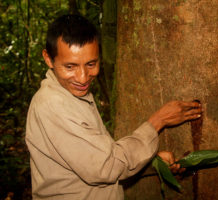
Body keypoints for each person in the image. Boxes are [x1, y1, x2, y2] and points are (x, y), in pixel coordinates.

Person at [25, 14, 202, 200]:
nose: (83, 77)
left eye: (91, 64)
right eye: (70, 67)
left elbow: (92, 158)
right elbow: (106, 167)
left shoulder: (72, 95)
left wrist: (152, 161)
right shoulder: (53, 104)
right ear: (48, 58)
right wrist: (158, 121)